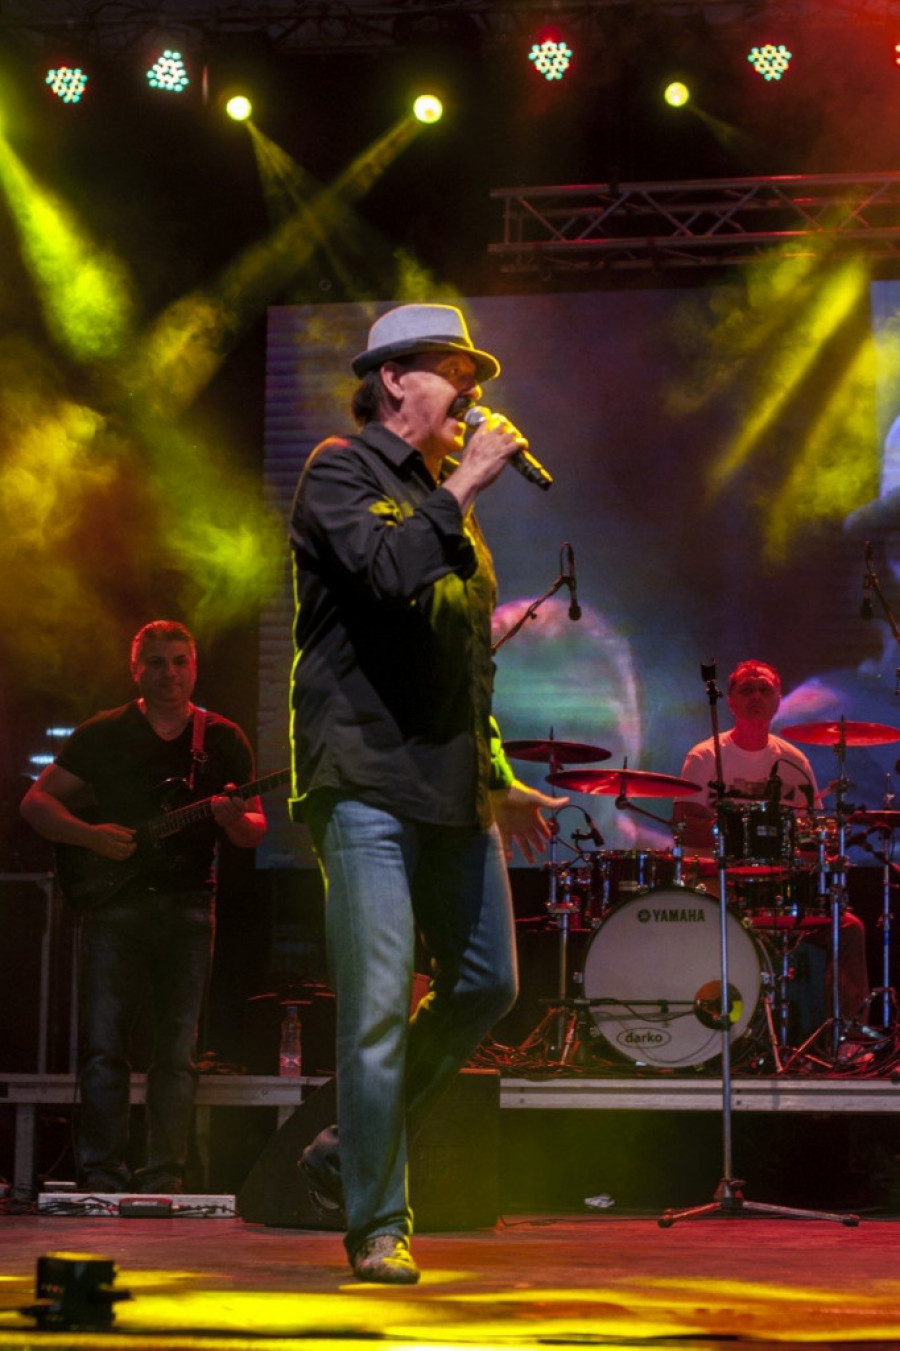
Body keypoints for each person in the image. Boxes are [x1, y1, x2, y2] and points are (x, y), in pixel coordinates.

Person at [288, 302, 565, 1284]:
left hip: (449, 782)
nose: (474, 393)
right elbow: (385, 572)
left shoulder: (455, 510)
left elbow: (465, 660)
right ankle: (378, 1222)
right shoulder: (339, 471)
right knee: (374, 1002)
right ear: (395, 379)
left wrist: (498, 774)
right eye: (457, 372)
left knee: (488, 981)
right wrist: (467, 480)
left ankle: (350, 1141)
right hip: (364, 774)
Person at [20, 619, 266, 1194]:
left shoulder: (222, 738)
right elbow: (36, 803)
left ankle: (163, 1175)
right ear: (135, 670)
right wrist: (89, 836)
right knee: (104, 1045)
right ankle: (102, 1173)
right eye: (156, 662)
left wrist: (233, 819)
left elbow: (253, 831)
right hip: (113, 906)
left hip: (190, 906)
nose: (169, 673)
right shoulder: (104, 732)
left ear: (194, 668)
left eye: (180, 661)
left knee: (176, 1050)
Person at [673, 659, 870, 1044]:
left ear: (778, 700)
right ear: (730, 701)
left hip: (779, 889)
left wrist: (824, 851)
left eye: (764, 690)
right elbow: (683, 824)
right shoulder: (706, 756)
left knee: (849, 928)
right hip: (720, 885)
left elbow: (812, 832)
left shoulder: (794, 760)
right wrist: (741, 834)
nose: (756, 696)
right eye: (747, 689)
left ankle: (845, 1041)